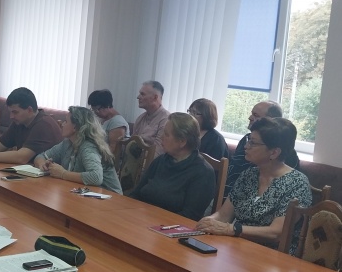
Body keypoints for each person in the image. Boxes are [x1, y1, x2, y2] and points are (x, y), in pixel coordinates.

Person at [197, 117, 312, 251]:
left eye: (253, 143)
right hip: (237, 247)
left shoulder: (297, 183)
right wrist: (208, 221)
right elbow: (223, 215)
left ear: (274, 152)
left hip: (273, 255)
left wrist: (232, 229)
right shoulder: (249, 175)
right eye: (248, 140)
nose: (246, 146)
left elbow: (276, 233)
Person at [130, 112, 215, 221]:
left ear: (182, 141)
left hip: (168, 226)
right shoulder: (161, 160)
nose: (161, 137)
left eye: (166, 134)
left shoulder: (203, 172)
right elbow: (136, 194)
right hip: (142, 219)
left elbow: (189, 217)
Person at [0, 87, 62, 164]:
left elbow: (21, 157)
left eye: (15, 112)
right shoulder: (20, 122)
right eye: (10, 112)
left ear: (29, 110)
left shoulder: (43, 125)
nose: (11, 116)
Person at [34, 106, 122, 194]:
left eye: (66, 121)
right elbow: (41, 156)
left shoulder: (88, 147)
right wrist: (43, 165)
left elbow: (96, 177)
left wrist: (63, 174)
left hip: (110, 196)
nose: (62, 124)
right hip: (85, 193)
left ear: (75, 127)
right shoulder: (67, 143)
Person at [225, 100, 300, 197]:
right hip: (231, 193)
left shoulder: (287, 154)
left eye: (256, 115)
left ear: (270, 121)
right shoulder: (246, 139)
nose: (250, 117)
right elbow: (233, 169)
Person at [132, 81, 170, 156]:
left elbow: (158, 153)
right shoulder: (140, 118)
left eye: (142, 94)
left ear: (155, 97)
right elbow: (131, 144)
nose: (138, 97)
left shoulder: (166, 120)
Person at [87, 89, 129, 156]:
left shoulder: (117, 123)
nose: (95, 112)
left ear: (108, 105)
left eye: (97, 109)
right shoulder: (102, 119)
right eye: (93, 109)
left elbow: (113, 150)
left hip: (108, 159)